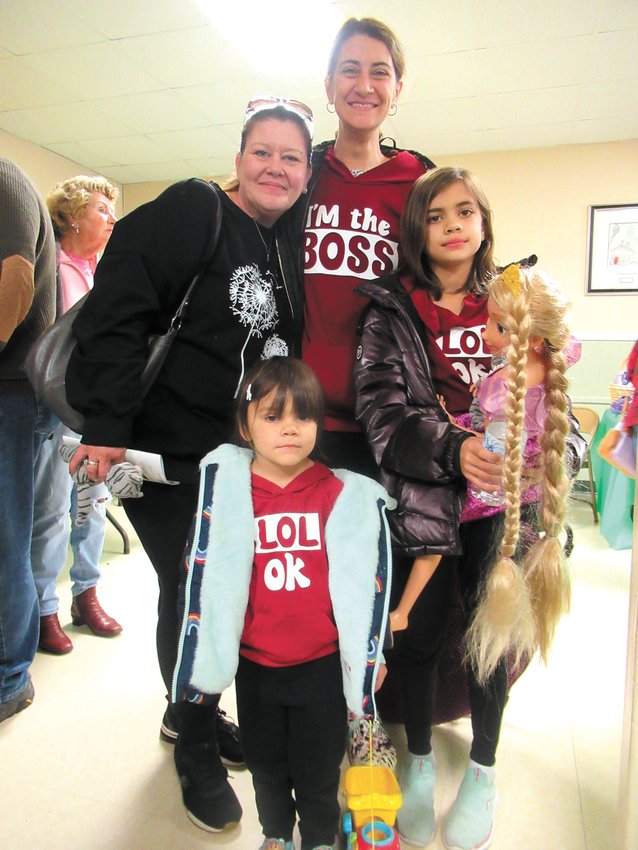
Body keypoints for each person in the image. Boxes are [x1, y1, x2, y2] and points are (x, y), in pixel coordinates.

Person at [65, 97, 314, 832]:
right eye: (262, 151)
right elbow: (117, 309)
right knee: (198, 584)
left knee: (211, 584)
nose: (275, 166)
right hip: (153, 449)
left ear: (306, 175)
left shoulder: (280, 242)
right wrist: (106, 425)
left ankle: (188, 711)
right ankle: (195, 745)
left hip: (232, 455)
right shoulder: (192, 209)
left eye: (291, 157)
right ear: (239, 158)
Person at [354, 166, 586, 850]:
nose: (453, 225)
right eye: (435, 215)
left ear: (485, 225)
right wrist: (453, 451)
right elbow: (381, 411)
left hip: (507, 511)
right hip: (423, 500)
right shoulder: (390, 310)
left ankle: (483, 770)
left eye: (466, 212)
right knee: (420, 639)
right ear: (417, 229)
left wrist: (552, 464)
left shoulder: (519, 299)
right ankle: (419, 764)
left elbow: (565, 408)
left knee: (492, 645)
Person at [172, 356, 394, 850]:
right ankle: (277, 835)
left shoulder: (341, 494)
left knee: (317, 774)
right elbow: (208, 583)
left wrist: (372, 654)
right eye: (273, 416)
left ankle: (317, 838)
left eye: (303, 416)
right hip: (256, 669)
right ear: (244, 426)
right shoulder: (228, 493)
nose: (289, 429)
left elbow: (364, 589)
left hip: (319, 667)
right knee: (267, 770)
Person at [299, 16, 435, 478]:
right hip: (299, 415)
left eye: (379, 72)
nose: (364, 84)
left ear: (397, 89)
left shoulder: (419, 182)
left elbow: (451, 284)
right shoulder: (302, 175)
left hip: (389, 418)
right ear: (329, 84)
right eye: (349, 69)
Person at [31, 176, 121, 655]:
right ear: (71, 215)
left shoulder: (105, 274)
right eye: (102, 210)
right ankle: (43, 607)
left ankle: (86, 594)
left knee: (93, 508)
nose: (111, 219)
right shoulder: (52, 269)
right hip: (55, 415)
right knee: (52, 515)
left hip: (94, 416)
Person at [0, 158, 56, 724]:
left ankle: (8, 678)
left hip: (9, 390)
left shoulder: (3, 181)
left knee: (4, 537)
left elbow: (13, 284)